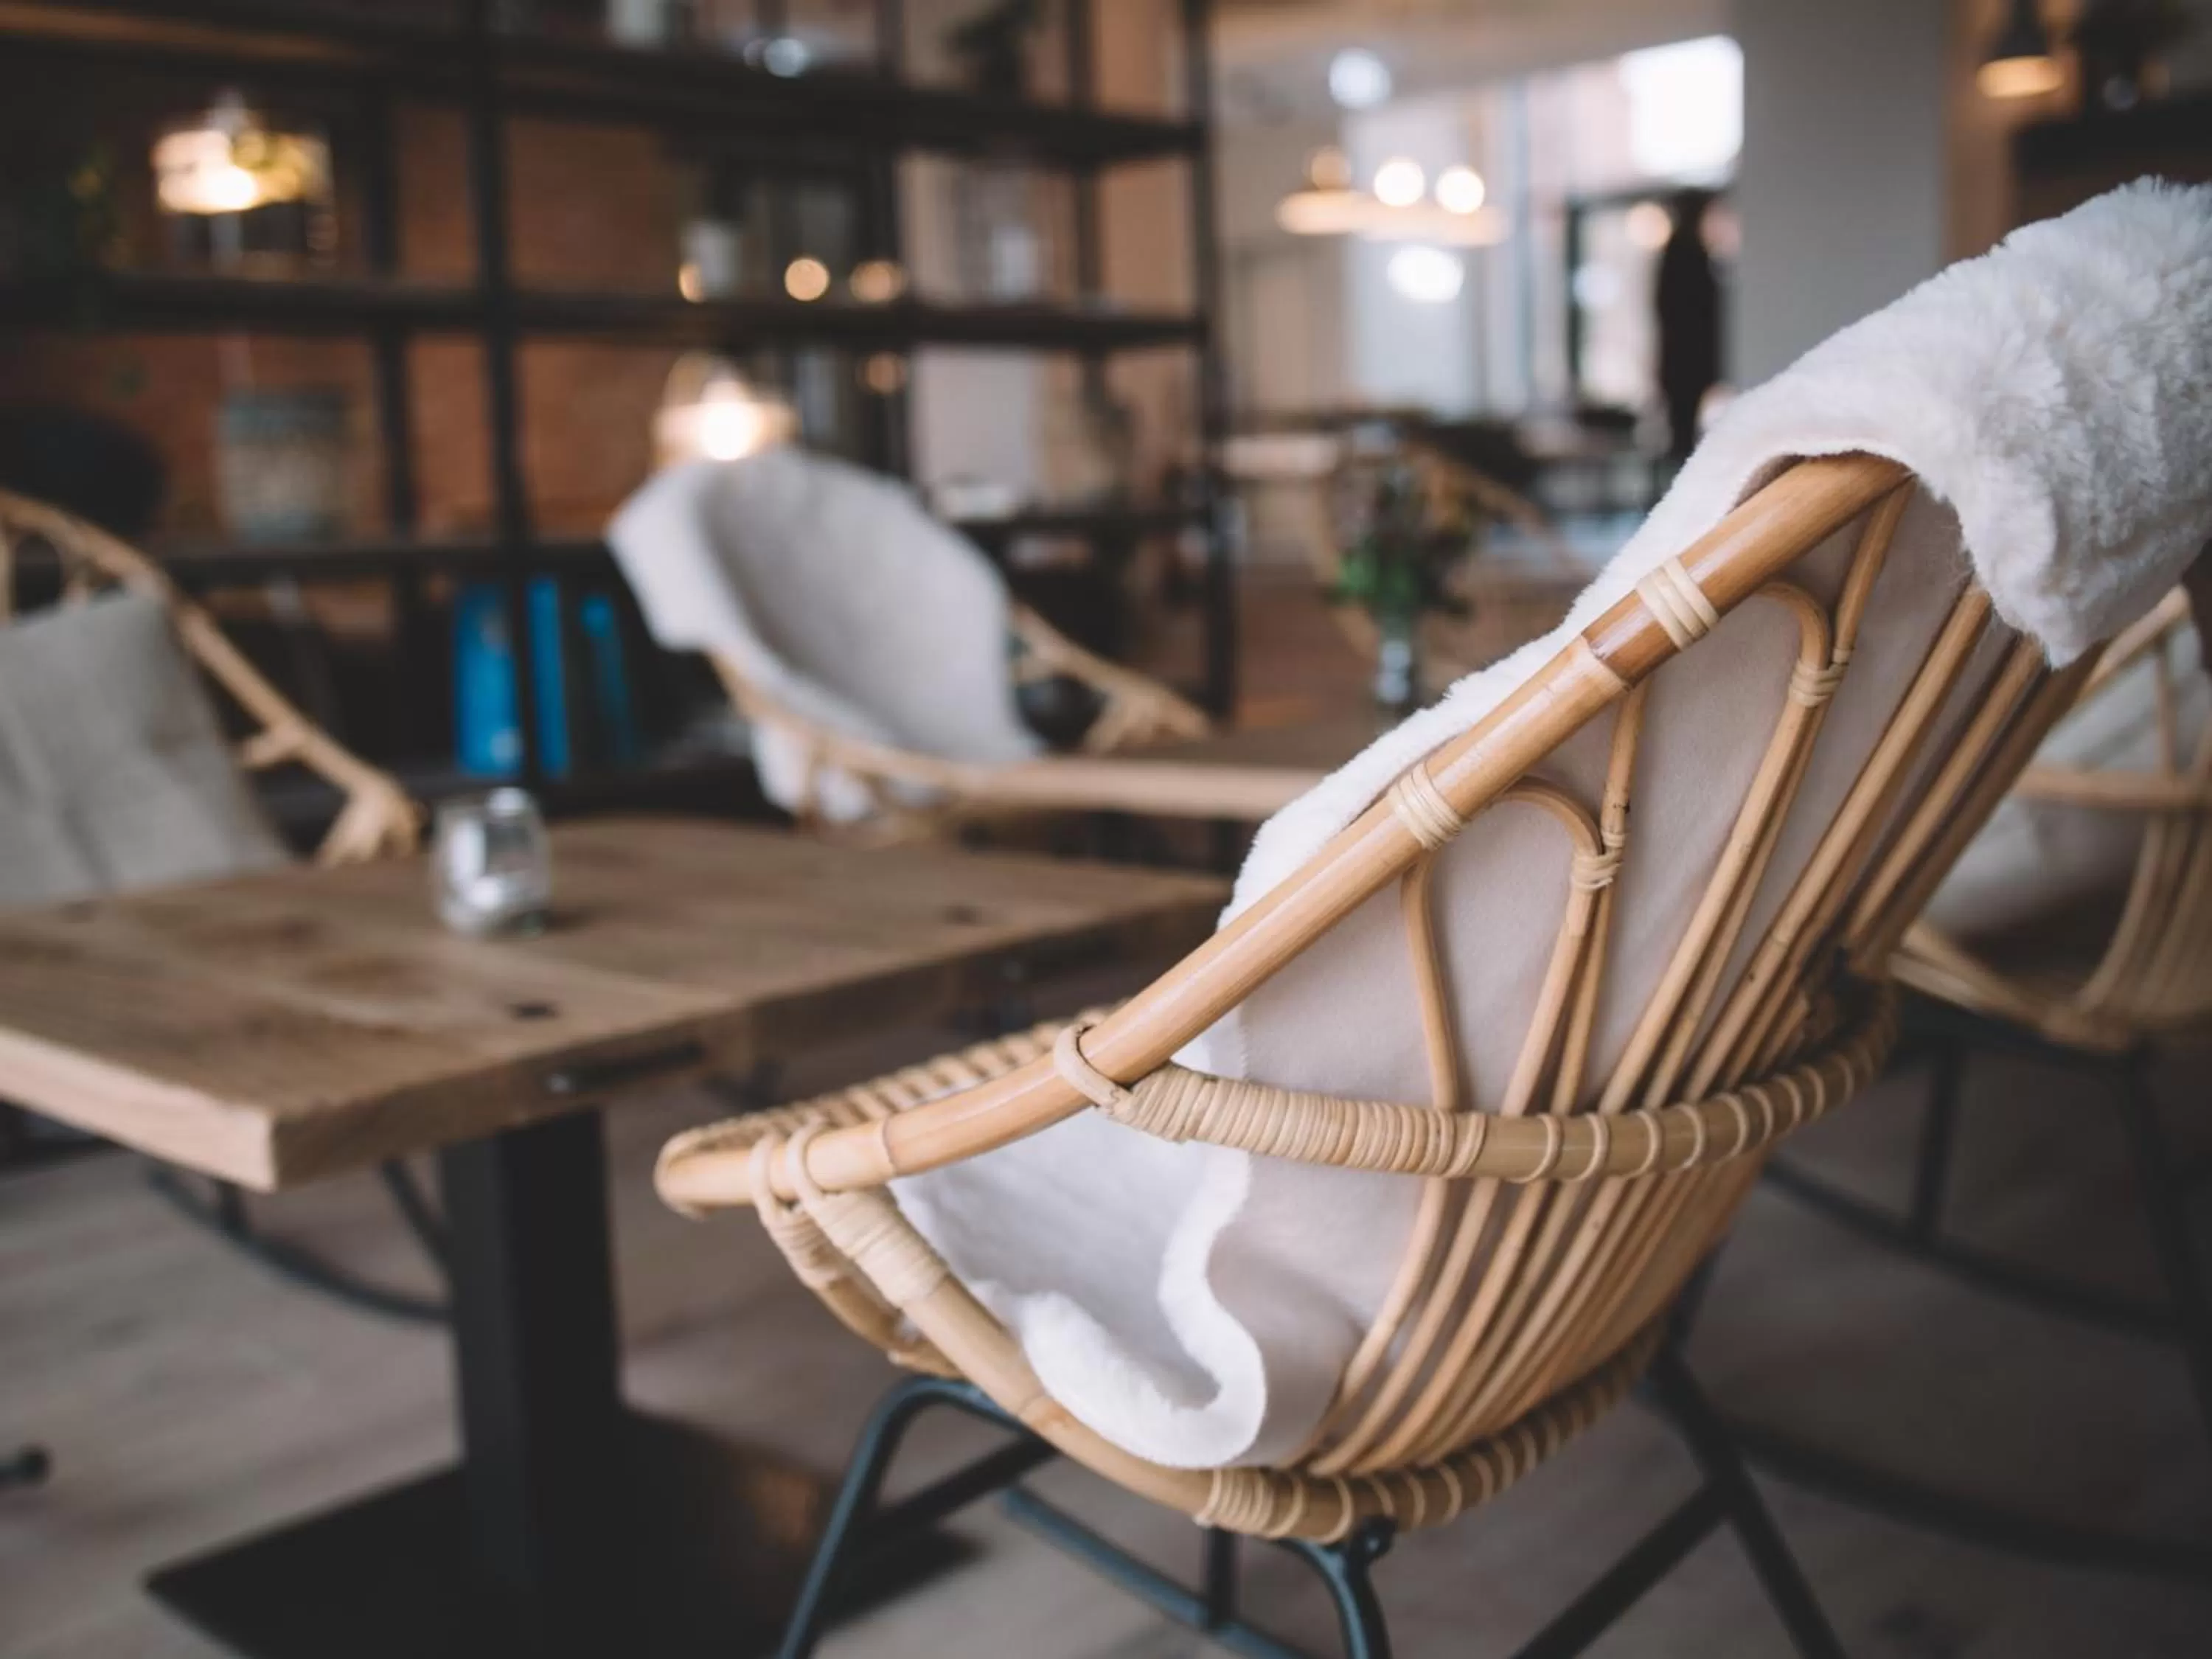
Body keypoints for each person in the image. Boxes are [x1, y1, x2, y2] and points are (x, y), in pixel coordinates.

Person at [1654, 187, 1722, 465]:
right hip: (1686, 360)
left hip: (1686, 360)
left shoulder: (1688, 253)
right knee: (1681, 435)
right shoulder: (1684, 254)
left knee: (1683, 433)